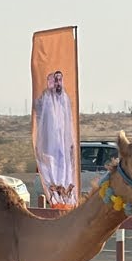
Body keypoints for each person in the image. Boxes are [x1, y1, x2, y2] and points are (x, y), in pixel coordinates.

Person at [34, 69, 78, 207]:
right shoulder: (45, 98)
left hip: (63, 143)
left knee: (65, 168)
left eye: (60, 80)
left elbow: (68, 121)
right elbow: (40, 115)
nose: (58, 83)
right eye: (55, 80)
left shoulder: (64, 98)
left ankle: (65, 199)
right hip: (50, 144)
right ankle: (55, 198)